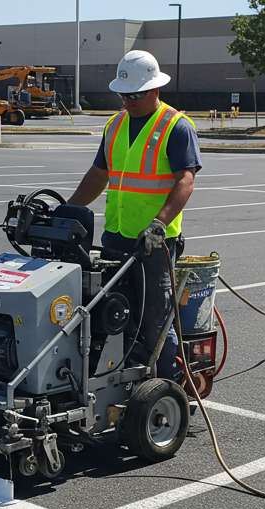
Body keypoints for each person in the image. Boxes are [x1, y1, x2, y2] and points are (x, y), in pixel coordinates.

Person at [67, 50, 200, 378]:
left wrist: (159, 223)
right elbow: (99, 175)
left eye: (135, 95)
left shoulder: (176, 126)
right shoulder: (115, 125)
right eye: (123, 95)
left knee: (154, 317)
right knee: (114, 313)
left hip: (154, 243)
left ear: (155, 89)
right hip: (116, 238)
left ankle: (168, 386)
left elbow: (186, 180)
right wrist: (68, 210)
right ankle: (123, 379)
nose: (128, 101)